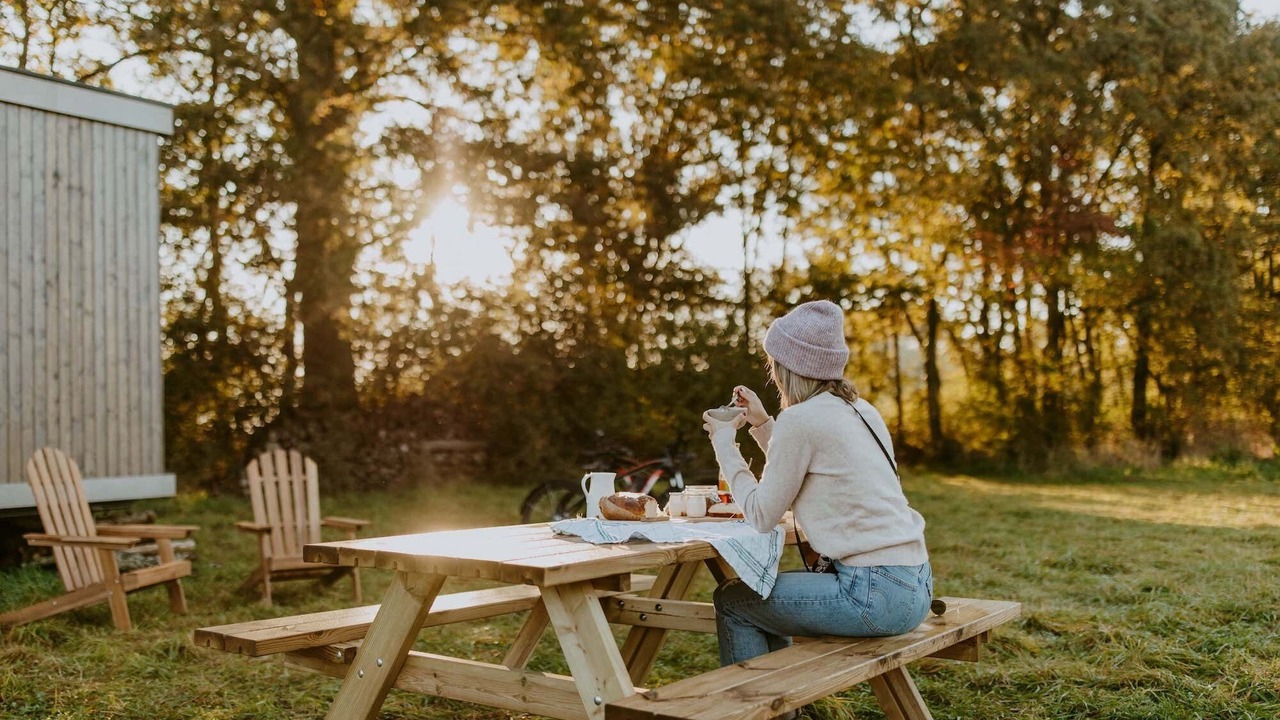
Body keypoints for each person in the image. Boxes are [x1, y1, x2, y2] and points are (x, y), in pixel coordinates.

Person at [701, 299, 932, 677]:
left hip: (872, 594)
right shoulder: (862, 410)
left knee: (735, 601)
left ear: (787, 368)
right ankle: (782, 703)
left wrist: (725, 443)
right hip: (915, 586)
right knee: (761, 598)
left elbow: (761, 515)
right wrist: (762, 424)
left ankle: (761, 704)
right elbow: (808, 469)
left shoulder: (800, 420)